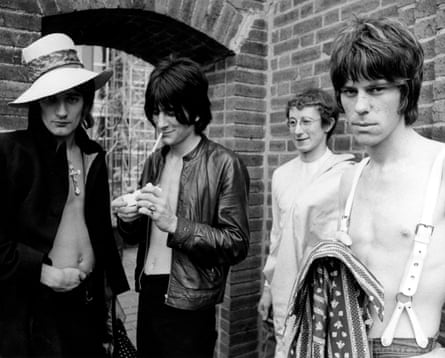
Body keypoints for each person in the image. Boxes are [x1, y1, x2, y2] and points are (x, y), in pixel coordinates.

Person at [0, 33, 130, 357]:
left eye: (71, 98)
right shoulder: (11, 153)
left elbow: (99, 233)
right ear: (36, 103)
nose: (61, 111)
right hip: (34, 309)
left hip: (86, 302)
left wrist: (109, 296)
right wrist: (45, 274)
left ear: (85, 102)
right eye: (50, 100)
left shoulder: (93, 155)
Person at [111, 57, 250, 358]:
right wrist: (128, 218)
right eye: (156, 111)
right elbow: (137, 236)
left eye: (171, 112)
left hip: (191, 301)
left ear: (196, 108)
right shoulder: (154, 160)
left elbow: (236, 244)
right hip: (148, 293)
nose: (161, 122)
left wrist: (176, 225)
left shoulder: (225, 164)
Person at [330, 15, 445, 357]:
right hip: (348, 347)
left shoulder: (440, 168)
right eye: (350, 92)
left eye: (376, 88)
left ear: (405, 92)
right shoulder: (350, 179)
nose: (360, 107)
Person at [257, 88, 354, 357]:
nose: (297, 130)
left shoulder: (345, 174)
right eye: (292, 122)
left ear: (328, 124)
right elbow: (277, 236)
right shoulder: (281, 175)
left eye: (306, 122)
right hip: (284, 288)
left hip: (324, 291)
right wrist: (268, 288)